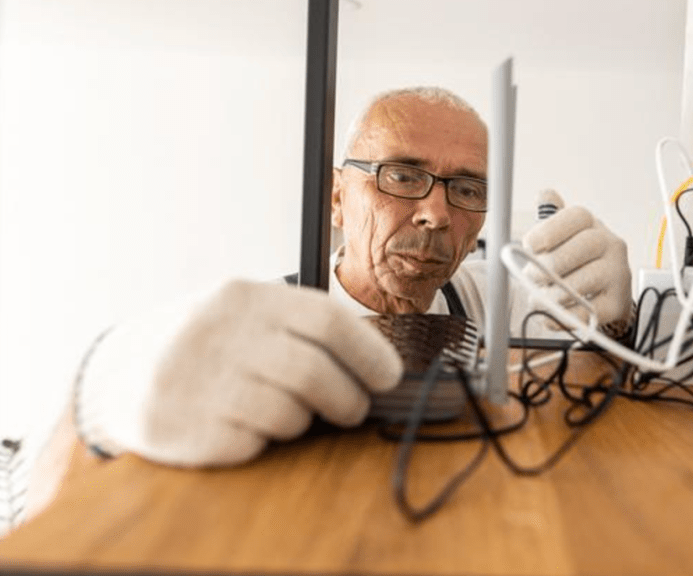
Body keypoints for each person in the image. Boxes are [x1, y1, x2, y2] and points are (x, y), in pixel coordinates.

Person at [23, 86, 633, 518]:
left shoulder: (497, 306)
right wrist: (98, 397)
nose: (436, 213)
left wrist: (619, 321)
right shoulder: (256, 330)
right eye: (400, 174)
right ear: (337, 200)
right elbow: (37, 500)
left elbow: (609, 377)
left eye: (467, 188)